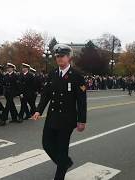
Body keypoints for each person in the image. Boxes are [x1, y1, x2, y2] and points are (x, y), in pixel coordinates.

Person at [32, 44, 87, 180]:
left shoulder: (77, 76)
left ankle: (60, 175)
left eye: (62, 56)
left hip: (67, 120)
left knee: (62, 149)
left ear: (69, 58)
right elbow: (46, 95)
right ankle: (65, 163)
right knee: (46, 144)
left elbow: (81, 100)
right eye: (57, 56)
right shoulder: (52, 74)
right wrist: (39, 110)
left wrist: (82, 120)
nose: (59, 59)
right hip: (52, 117)